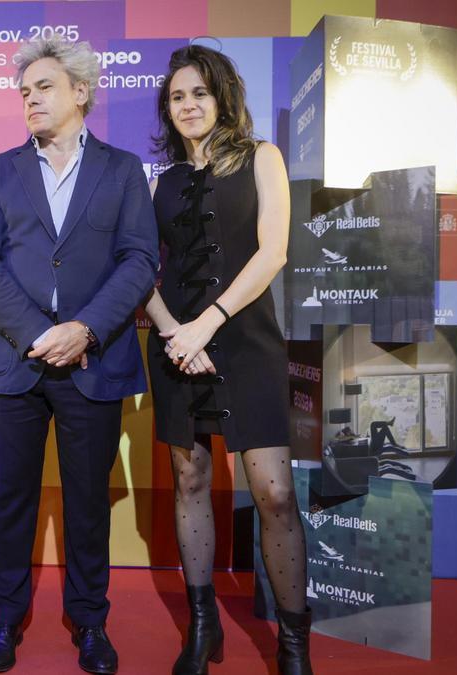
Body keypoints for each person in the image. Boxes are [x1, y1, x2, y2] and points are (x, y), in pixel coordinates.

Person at [0, 37, 158, 674]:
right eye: (23, 93)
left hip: (92, 362)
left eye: (42, 88)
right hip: (15, 360)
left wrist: (85, 329)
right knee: (12, 499)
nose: (30, 101)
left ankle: (90, 622)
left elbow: (139, 260)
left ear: (80, 93)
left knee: (86, 500)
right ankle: (4, 621)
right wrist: (35, 333)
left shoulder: (124, 169)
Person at [145, 44, 312, 675]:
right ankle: (203, 625)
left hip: (247, 342)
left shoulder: (262, 158)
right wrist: (174, 336)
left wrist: (207, 325)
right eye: (177, 96)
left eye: (199, 94)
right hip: (175, 348)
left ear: (223, 97)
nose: (188, 106)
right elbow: (141, 268)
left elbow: (273, 254)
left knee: (273, 494)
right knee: (190, 481)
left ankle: (294, 646)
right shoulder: (161, 182)